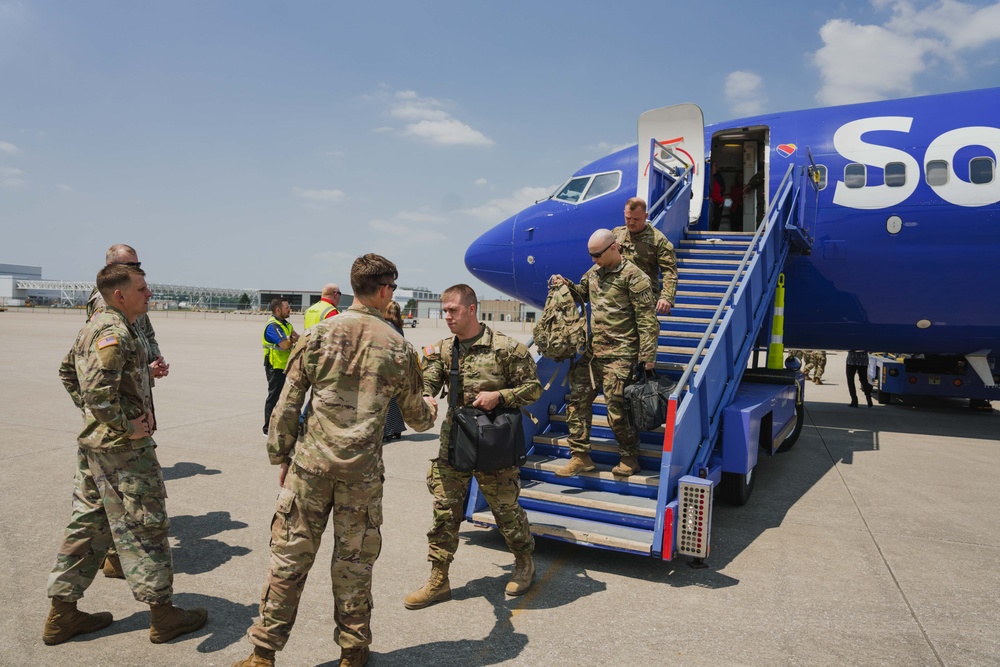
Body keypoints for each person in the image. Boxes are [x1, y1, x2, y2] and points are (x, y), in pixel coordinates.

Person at [232, 254, 438, 667]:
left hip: (309, 469)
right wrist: (431, 406)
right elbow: (417, 419)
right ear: (384, 290)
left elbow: (286, 405)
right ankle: (352, 652)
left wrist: (282, 457)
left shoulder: (318, 334)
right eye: (393, 289)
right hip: (360, 477)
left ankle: (262, 655)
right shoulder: (398, 346)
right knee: (354, 566)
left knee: (288, 560)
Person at [44, 263, 207, 646]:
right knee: (146, 526)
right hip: (125, 453)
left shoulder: (100, 325)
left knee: (88, 526)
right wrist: (122, 425)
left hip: (96, 449)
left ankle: (62, 614)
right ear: (120, 295)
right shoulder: (114, 330)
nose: (149, 294)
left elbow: (69, 373)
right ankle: (163, 616)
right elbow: (99, 393)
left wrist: (96, 419)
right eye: (142, 289)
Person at [404, 284, 541, 611]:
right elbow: (429, 382)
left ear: (471, 309)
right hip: (456, 444)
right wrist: (425, 397)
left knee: (506, 511)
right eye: (444, 310)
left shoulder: (507, 350)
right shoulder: (443, 350)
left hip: (494, 443)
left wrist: (500, 396)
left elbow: (533, 389)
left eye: (452, 310)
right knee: (444, 510)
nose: (446, 316)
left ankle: (524, 562)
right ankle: (439, 578)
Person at [86, 244, 168, 580]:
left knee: (104, 503)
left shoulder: (130, 311)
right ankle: (160, 606)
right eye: (133, 266)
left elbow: (145, 337)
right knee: (143, 510)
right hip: (122, 431)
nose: (146, 286)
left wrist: (150, 367)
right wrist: (119, 425)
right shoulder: (107, 316)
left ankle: (114, 561)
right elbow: (92, 384)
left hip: (127, 414)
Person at [550, 229, 659, 477]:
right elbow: (581, 294)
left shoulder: (634, 277)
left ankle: (630, 458)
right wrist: (565, 285)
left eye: (597, 254)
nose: (593, 259)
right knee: (577, 401)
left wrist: (647, 355)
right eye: (590, 255)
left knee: (617, 409)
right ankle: (580, 456)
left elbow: (647, 319)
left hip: (621, 354)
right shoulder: (594, 273)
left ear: (614, 247)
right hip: (593, 354)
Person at [612, 197, 677, 315]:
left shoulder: (658, 240)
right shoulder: (616, 234)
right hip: (618, 299)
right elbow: (600, 261)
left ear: (645, 216)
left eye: (636, 219)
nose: (631, 222)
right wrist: (611, 251)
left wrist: (666, 297)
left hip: (644, 299)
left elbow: (669, 271)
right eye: (628, 218)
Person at [262, 298, 299, 435]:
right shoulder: (273, 326)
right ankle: (267, 429)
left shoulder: (286, 325)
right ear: (278, 310)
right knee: (274, 397)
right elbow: (284, 345)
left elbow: (296, 338)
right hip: (275, 367)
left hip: (286, 366)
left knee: (285, 398)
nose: (290, 309)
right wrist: (291, 339)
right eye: (287, 307)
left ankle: (280, 425)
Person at [382, 300, 406, 441]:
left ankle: (388, 431)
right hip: (398, 367)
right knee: (396, 400)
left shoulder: (386, 326)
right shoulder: (399, 327)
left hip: (388, 367)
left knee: (387, 401)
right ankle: (397, 429)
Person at [708, 162, 726, 231]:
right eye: (714, 165)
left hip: (718, 202)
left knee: (716, 220)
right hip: (712, 201)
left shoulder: (718, 176)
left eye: (716, 165)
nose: (715, 167)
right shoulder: (708, 176)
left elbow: (723, 188)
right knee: (710, 220)